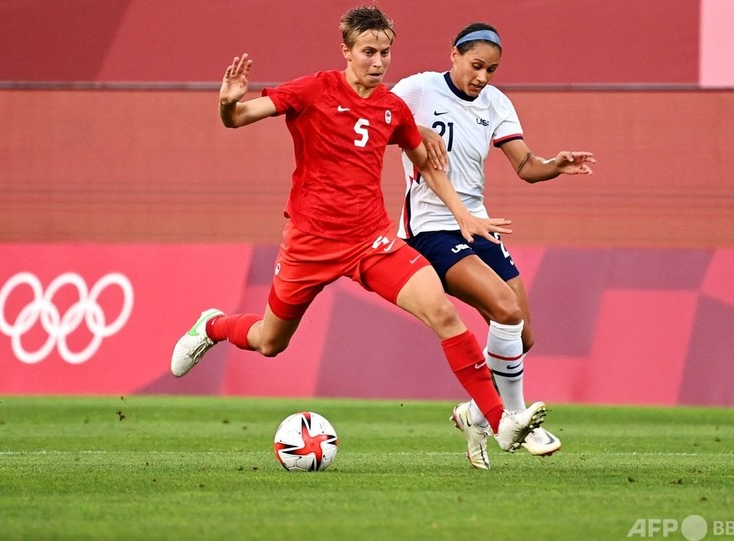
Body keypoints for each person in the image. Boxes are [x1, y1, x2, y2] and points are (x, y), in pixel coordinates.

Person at [170, 6, 548, 456]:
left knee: (443, 314)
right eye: (368, 51)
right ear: (346, 51)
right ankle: (212, 326)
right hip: (309, 244)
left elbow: (426, 162)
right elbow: (238, 118)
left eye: (385, 52)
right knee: (270, 342)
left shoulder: (393, 107)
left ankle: (499, 421)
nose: (378, 62)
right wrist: (228, 102)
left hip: (372, 241)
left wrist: (462, 213)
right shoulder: (313, 90)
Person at [392, 22, 595, 469]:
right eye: (476, 65)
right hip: (432, 228)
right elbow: (379, 117)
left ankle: (476, 415)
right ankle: (517, 418)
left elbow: (524, 165)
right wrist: (413, 130)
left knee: (522, 335)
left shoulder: (496, 103)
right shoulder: (419, 89)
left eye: (492, 69)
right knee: (505, 309)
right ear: (454, 54)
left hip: (479, 226)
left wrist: (553, 165)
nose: (482, 76)